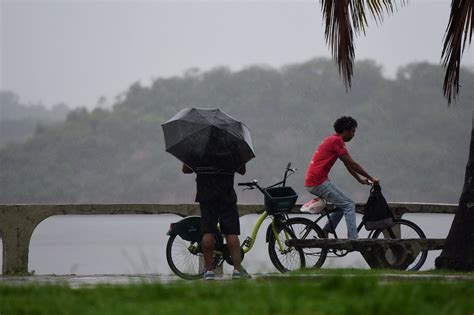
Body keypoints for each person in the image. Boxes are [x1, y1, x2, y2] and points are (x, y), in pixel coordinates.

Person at [305, 116, 379, 239]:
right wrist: (371, 177)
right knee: (349, 204)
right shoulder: (337, 141)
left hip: (317, 181)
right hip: (318, 182)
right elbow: (352, 163)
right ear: (346, 130)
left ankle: (326, 232)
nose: (354, 135)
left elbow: (347, 163)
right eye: (353, 131)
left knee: (342, 204)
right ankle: (353, 239)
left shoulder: (334, 140)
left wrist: (360, 180)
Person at [182, 162, 250, 280]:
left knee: (208, 232)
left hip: (206, 195)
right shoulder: (232, 145)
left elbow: (186, 169)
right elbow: (242, 170)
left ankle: (208, 271)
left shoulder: (199, 147)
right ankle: (237, 270)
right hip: (227, 195)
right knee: (231, 232)